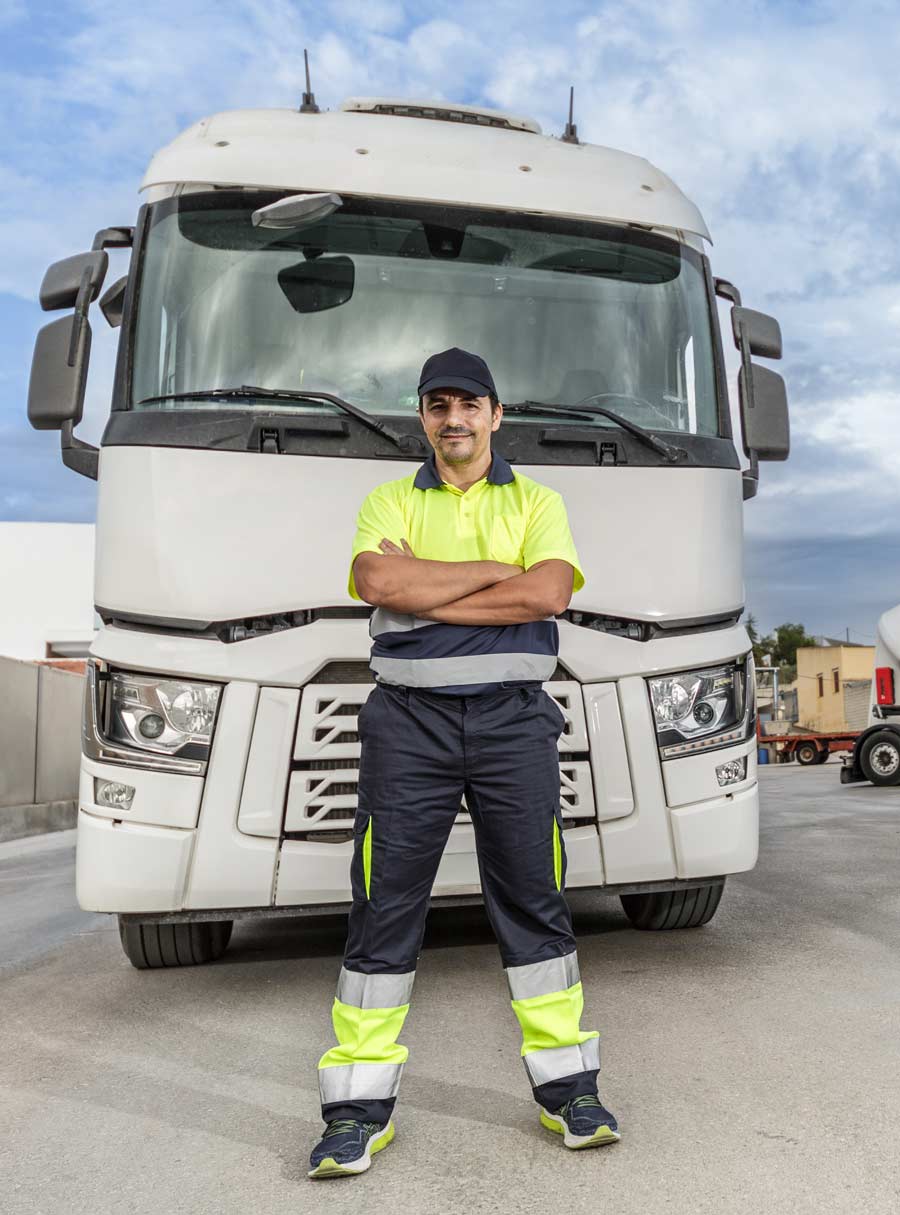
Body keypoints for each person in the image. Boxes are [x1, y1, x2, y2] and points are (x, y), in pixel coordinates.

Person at [308, 348, 619, 1179]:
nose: (455, 417)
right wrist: (493, 574)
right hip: (407, 726)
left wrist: (428, 588)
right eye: (438, 404)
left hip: (515, 724)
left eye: (469, 403)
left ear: (496, 412)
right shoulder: (386, 497)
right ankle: (356, 1112)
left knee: (535, 900)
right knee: (383, 906)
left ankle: (570, 1091)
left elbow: (547, 593)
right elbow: (378, 579)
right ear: (423, 417)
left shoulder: (539, 498)